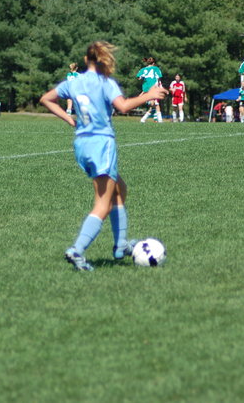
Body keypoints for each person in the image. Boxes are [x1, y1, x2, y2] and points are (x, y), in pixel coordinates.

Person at [40, 41, 168, 271]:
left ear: (86, 59)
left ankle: (121, 245)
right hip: (101, 144)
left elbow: (46, 99)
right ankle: (77, 250)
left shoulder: (74, 82)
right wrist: (148, 95)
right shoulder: (105, 83)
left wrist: (69, 119)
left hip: (82, 144)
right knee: (103, 204)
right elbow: (123, 106)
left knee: (119, 189)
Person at [136, 57, 163, 123]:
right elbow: (159, 77)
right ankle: (159, 120)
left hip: (146, 89)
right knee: (155, 104)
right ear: (153, 63)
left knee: (153, 105)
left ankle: (144, 119)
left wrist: (143, 78)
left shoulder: (143, 69)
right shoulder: (156, 68)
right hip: (154, 88)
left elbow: (138, 77)